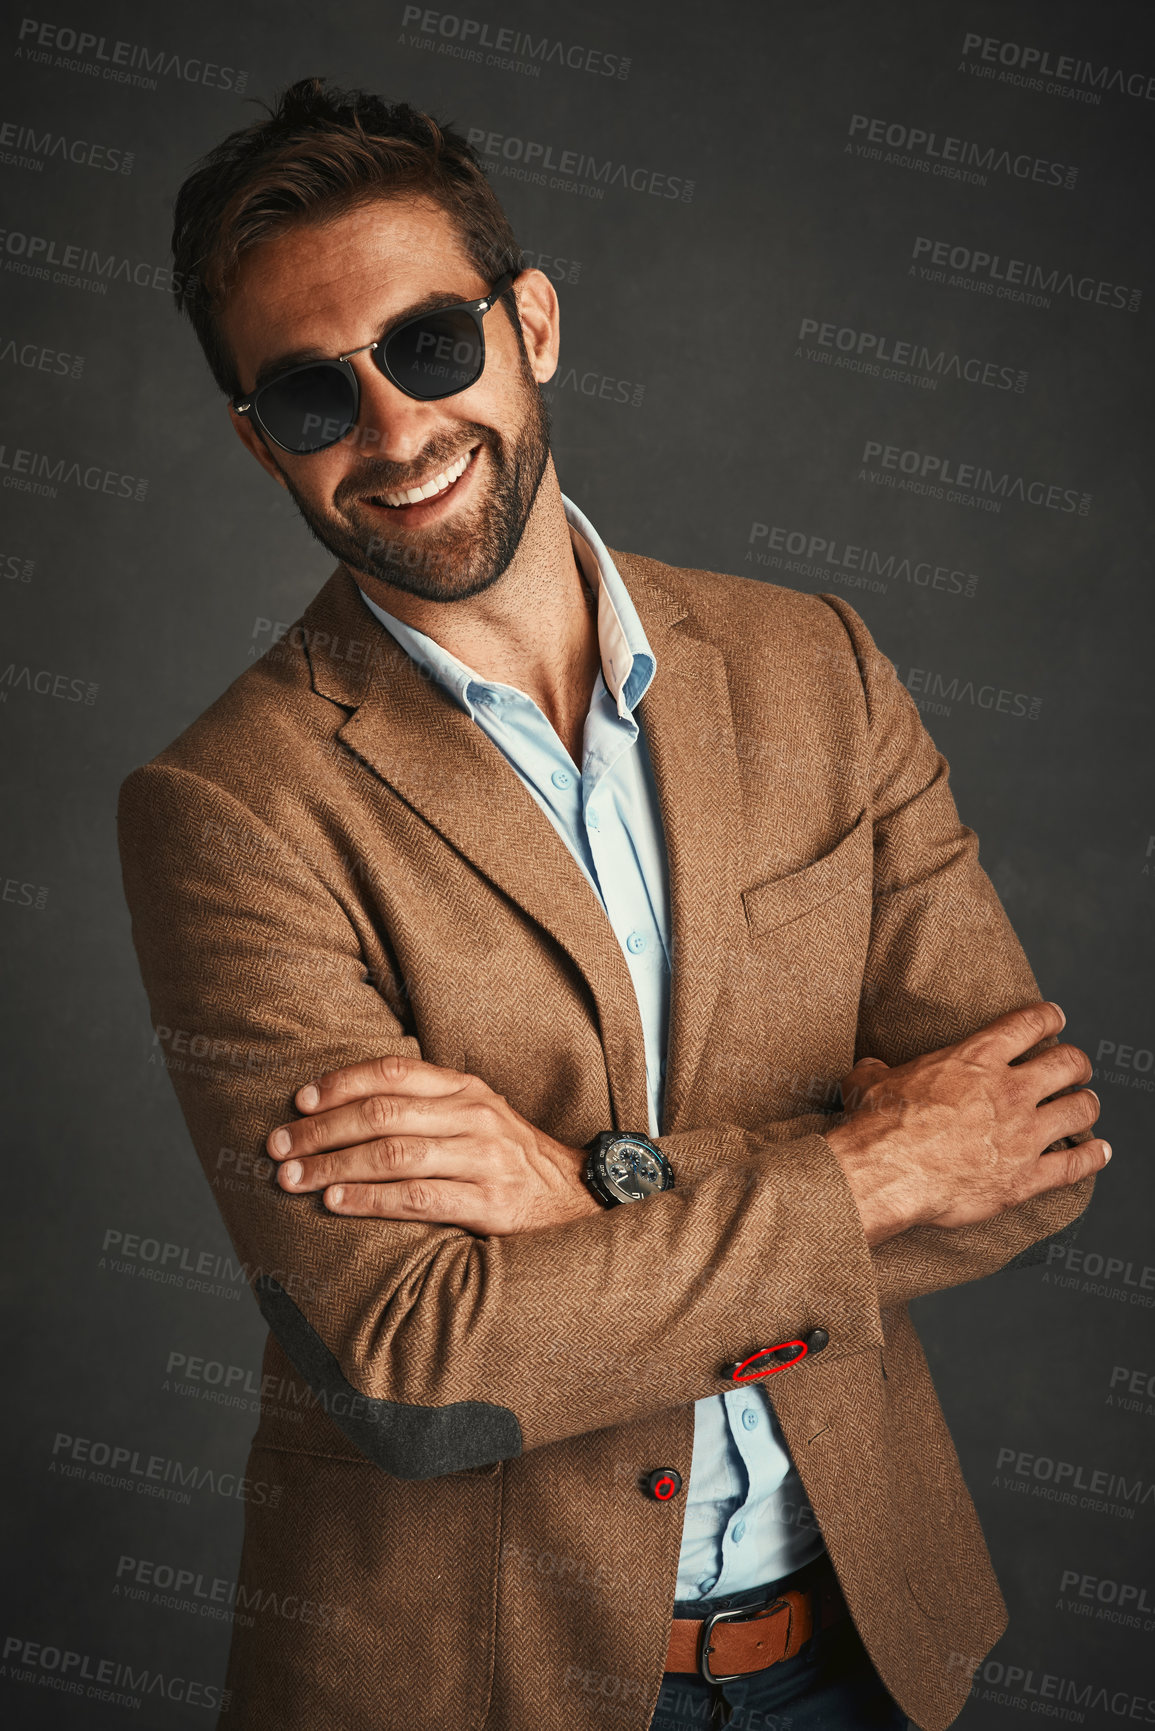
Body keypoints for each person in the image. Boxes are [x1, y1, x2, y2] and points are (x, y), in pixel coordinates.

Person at [117, 78, 1108, 1731]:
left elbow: (1027, 1155)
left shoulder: (820, 669)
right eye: (310, 396)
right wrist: (868, 1169)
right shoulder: (227, 812)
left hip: (862, 1646)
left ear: (536, 325)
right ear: (255, 441)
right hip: (479, 1689)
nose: (395, 429)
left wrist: (582, 1194)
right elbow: (418, 1365)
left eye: (431, 343)